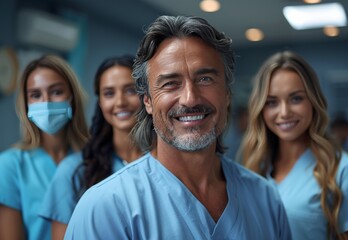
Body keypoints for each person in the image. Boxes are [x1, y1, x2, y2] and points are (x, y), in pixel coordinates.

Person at [65, 15, 292, 239]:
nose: (190, 99)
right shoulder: (105, 208)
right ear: (147, 101)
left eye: (205, 79)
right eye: (170, 83)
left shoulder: (265, 199)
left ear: (227, 94)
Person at [238, 50, 348, 240]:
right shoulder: (255, 168)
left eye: (296, 98)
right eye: (272, 102)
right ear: (260, 109)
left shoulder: (346, 171)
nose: (284, 112)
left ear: (313, 101)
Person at [39, 55, 143, 240]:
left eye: (130, 90)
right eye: (109, 93)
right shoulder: (74, 170)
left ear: (147, 96)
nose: (120, 102)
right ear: (100, 102)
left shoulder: (166, 165)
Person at [0, 55, 89, 240]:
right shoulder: (10, 165)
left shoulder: (93, 159)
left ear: (72, 97)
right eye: (35, 95)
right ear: (26, 105)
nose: (46, 102)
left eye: (56, 92)